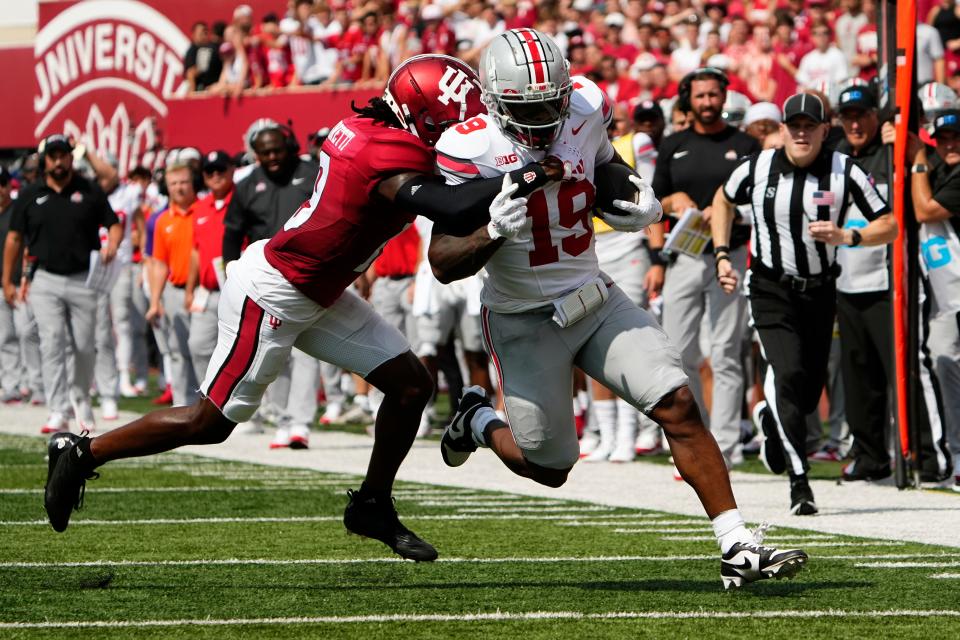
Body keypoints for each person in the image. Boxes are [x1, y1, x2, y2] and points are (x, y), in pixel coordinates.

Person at [42, 54, 567, 562]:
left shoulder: (372, 128)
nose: (463, 131)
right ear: (423, 117)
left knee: (412, 386)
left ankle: (372, 505)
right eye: (454, 121)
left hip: (320, 291)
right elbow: (451, 204)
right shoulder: (384, 152)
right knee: (210, 420)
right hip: (276, 290)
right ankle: (82, 454)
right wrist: (524, 176)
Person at [430, 29, 807, 588]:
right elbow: (443, 260)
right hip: (521, 317)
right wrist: (490, 232)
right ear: (492, 100)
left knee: (677, 403)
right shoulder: (470, 149)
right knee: (551, 467)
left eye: (549, 105)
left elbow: (604, 167)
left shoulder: (584, 106)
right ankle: (479, 420)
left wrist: (636, 195)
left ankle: (736, 545)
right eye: (524, 109)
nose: (541, 121)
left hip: (593, 295)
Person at [712, 93, 897, 515]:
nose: (800, 132)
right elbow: (722, 199)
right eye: (792, 125)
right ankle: (800, 484)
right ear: (781, 129)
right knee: (787, 371)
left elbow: (888, 224)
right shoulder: (758, 167)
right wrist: (723, 254)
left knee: (809, 394)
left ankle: (774, 426)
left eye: (809, 126)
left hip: (819, 291)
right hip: (769, 287)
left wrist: (848, 237)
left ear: (823, 131)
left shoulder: (843, 169)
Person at [649, 68, 761, 469]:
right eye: (700, 97)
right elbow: (652, 202)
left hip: (730, 253)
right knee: (679, 353)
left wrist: (729, 210)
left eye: (714, 95)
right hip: (685, 255)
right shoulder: (673, 144)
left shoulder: (747, 144)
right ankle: (694, 441)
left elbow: (759, 200)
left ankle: (727, 447)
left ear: (724, 97)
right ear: (688, 100)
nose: (708, 103)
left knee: (728, 352)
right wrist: (673, 200)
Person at [2, 135, 121, 433]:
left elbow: (114, 223)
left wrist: (113, 245)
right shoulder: (30, 194)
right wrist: (6, 279)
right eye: (53, 155)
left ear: (70, 158)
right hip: (45, 279)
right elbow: (14, 239)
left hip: (83, 278)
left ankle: (80, 397)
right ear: (45, 160)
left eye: (63, 155)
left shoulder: (89, 189)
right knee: (52, 342)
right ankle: (58, 408)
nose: (58, 160)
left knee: (83, 347)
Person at [897, 111, 960, 486]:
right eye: (945, 138)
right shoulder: (945, 169)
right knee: (944, 365)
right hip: (947, 294)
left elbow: (924, 210)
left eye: (957, 137)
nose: (950, 144)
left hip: (952, 290)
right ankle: (953, 454)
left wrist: (919, 162)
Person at [147, 163, 200, 407]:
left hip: (203, 290)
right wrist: (155, 301)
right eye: (173, 183)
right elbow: (159, 264)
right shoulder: (161, 220)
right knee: (177, 351)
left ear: (192, 183)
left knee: (203, 350)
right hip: (174, 290)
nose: (179, 188)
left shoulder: (204, 211)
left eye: (183, 182)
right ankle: (182, 404)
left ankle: (209, 404)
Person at [186, 151, 234, 386]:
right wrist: (189, 287)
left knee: (240, 350)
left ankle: (255, 405)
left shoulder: (241, 200)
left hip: (235, 290)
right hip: (206, 290)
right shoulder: (200, 207)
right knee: (198, 345)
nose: (215, 175)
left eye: (220, 170)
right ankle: (208, 396)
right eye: (210, 171)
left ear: (231, 170)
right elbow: (196, 250)